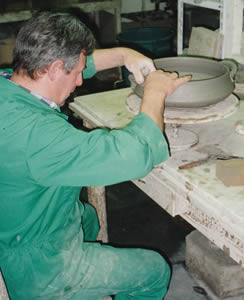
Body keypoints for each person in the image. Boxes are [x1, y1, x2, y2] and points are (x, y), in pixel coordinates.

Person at [0, 11, 190, 300]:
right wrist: (155, 93)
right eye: (76, 73)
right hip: (38, 268)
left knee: (88, 218)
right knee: (154, 270)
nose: (79, 81)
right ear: (53, 69)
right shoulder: (39, 135)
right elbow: (136, 154)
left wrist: (124, 55)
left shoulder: (9, 84)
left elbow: (77, 64)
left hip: (16, 221)